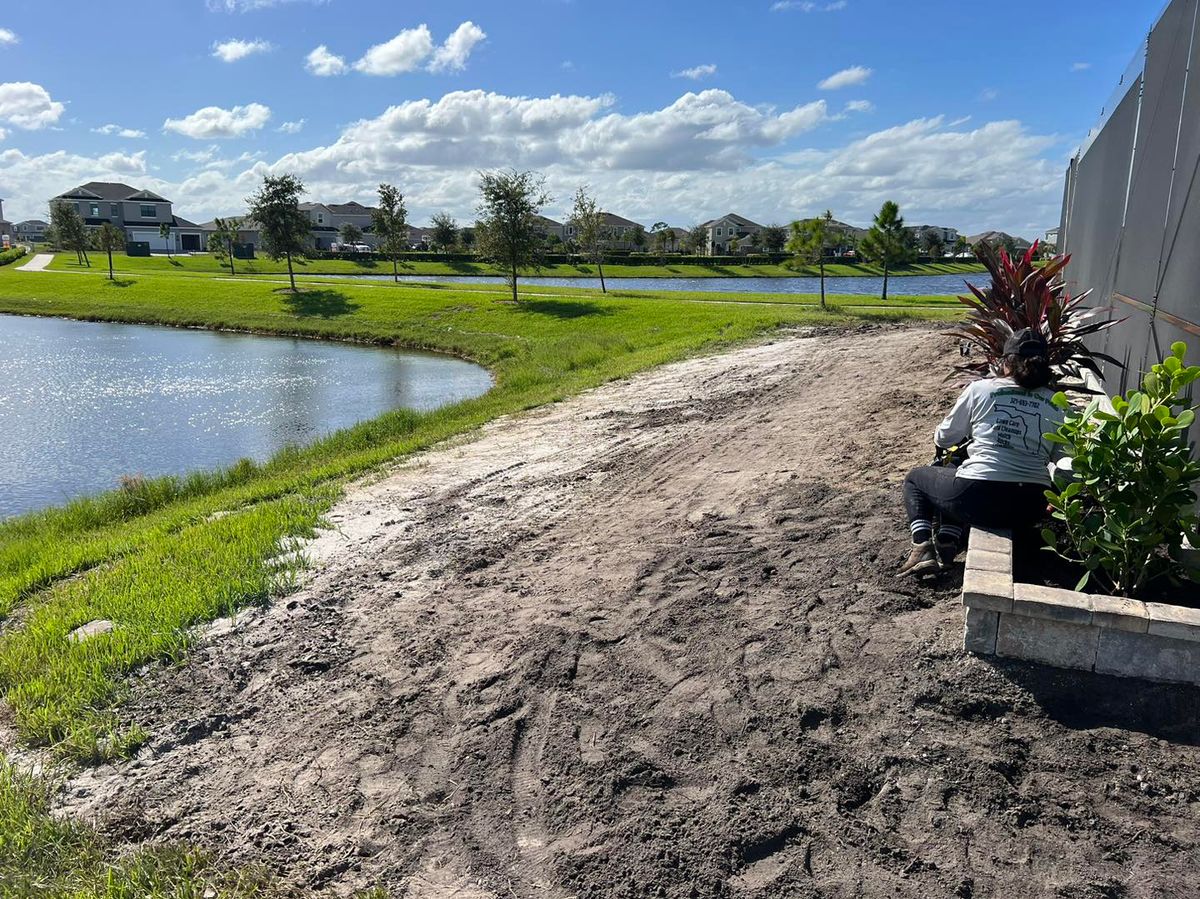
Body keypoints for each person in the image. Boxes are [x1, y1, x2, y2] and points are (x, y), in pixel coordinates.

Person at [900, 328, 1066, 576]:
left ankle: (922, 545)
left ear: (1006, 362)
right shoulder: (1058, 403)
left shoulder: (981, 389)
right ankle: (949, 536)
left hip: (978, 498)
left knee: (917, 478)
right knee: (961, 469)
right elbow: (1067, 466)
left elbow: (946, 437)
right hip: (1029, 507)